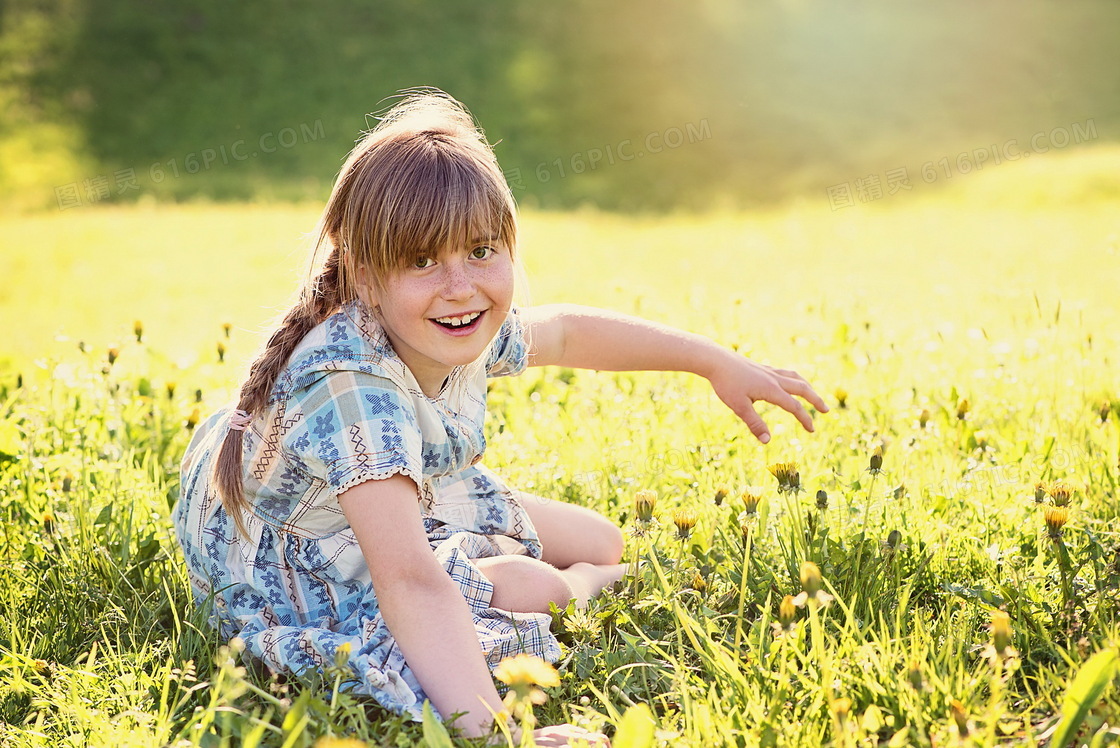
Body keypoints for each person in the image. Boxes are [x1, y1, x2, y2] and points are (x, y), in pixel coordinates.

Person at [173, 89, 828, 746]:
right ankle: (586, 589)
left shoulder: (446, 323)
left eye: (481, 250)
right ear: (366, 277)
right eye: (423, 261)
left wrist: (713, 362)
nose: (460, 286)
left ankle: (586, 571)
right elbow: (407, 579)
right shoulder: (353, 391)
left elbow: (568, 333)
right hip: (301, 561)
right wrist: (501, 737)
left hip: (375, 494)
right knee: (529, 585)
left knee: (602, 536)